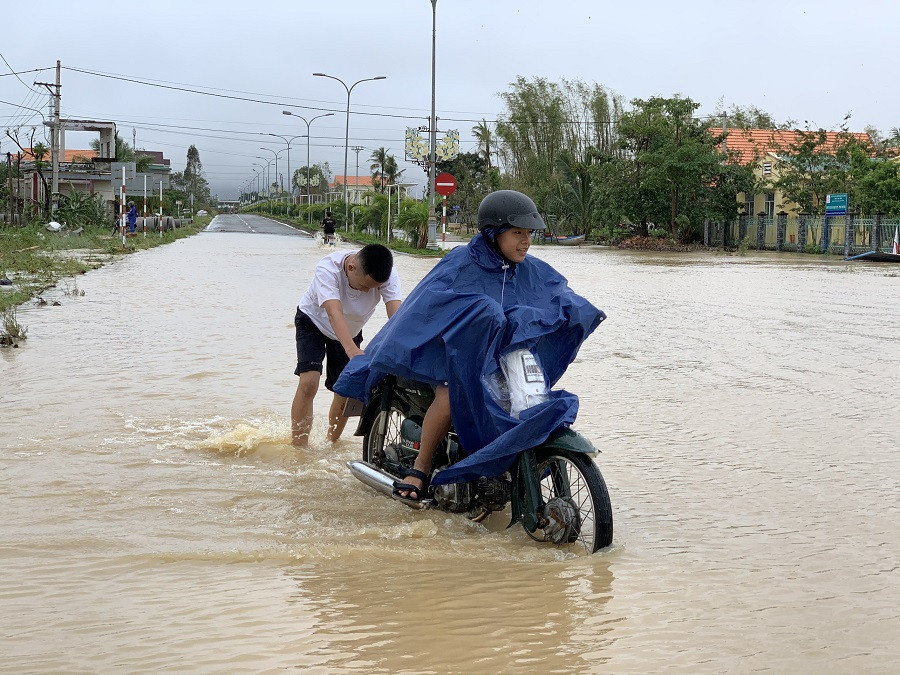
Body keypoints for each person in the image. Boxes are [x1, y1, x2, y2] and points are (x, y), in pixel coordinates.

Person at [335, 190, 603, 502]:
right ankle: (420, 470)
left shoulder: (527, 268)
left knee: (530, 399)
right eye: (517, 233)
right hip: (448, 355)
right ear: (493, 233)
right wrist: (481, 314)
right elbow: (427, 306)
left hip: (497, 359)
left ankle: (502, 470)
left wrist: (579, 311)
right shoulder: (461, 263)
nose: (525, 242)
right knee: (450, 396)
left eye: (529, 234)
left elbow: (553, 294)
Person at [291, 243, 402, 447]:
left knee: (344, 389)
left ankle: (330, 444)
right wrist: (351, 350)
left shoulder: (386, 273)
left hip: (350, 329)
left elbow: (396, 313)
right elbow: (334, 313)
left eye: (373, 288)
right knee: (309, 383)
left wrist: (404, 347)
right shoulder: (327, 269)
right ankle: (299, 447)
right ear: (351, 267)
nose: (367, 292)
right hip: (314, 321)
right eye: (364, 286)